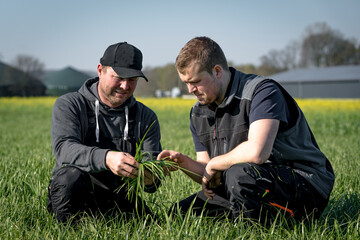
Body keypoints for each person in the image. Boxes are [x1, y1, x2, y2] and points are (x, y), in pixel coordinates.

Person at [158, 36, 334, 224]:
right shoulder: (198, 113)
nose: (190, 89)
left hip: (304, 183)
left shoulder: (262, 91)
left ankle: (252, 231)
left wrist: (215, 163)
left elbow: (258, 152)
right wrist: (183, 162)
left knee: (239, 175)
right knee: (178, 215)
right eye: (186, 82)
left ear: (217, 71)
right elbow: (209, 172)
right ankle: (241, 220)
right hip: (244, 184)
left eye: (196, 81)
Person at [47, 42, 162, 223]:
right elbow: (64, 149)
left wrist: (150, 176)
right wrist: (107, 158)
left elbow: (152, 182)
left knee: (156, 225)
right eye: (118, 77)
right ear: (100, 70)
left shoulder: (145, 117)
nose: (125, 86)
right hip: (76, 194)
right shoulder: (70, 104)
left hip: (119, 197)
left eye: (132, 80)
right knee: (69, 178)